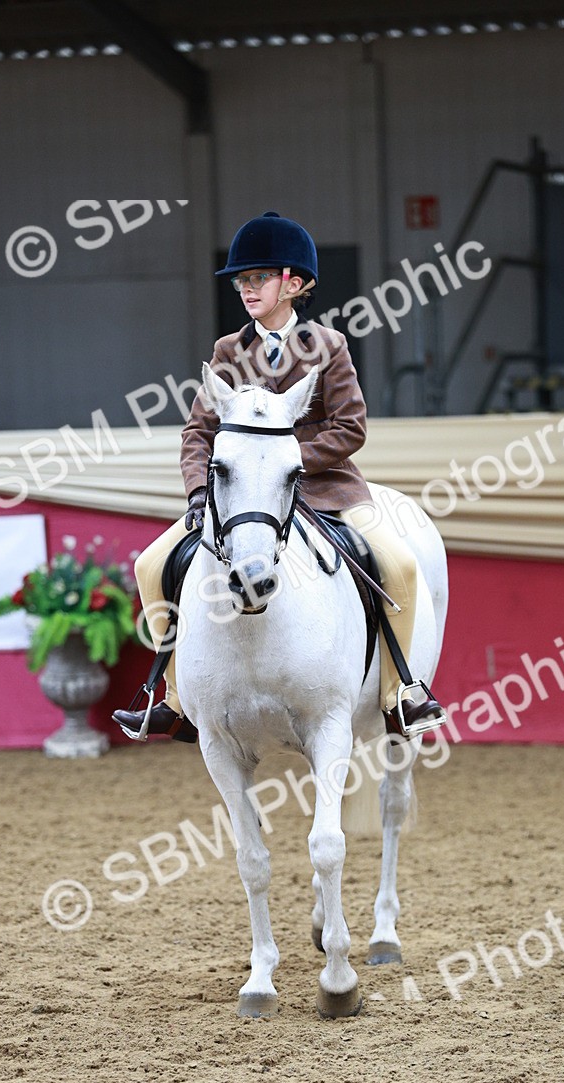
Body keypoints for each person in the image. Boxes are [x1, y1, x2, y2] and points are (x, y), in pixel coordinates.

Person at [113, 211, 445, 741]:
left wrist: (287, 464)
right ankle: (171, 697)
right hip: (241, 497)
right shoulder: (228, 351)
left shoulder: (329, 346)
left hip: (326, 487)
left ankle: (400, 693)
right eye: (242, 280)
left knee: (400, 563)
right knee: (152, 564)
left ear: (294, 283)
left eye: (258, 278)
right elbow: (197, 433)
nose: (247, 289)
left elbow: (350, 426)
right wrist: (201, 491)